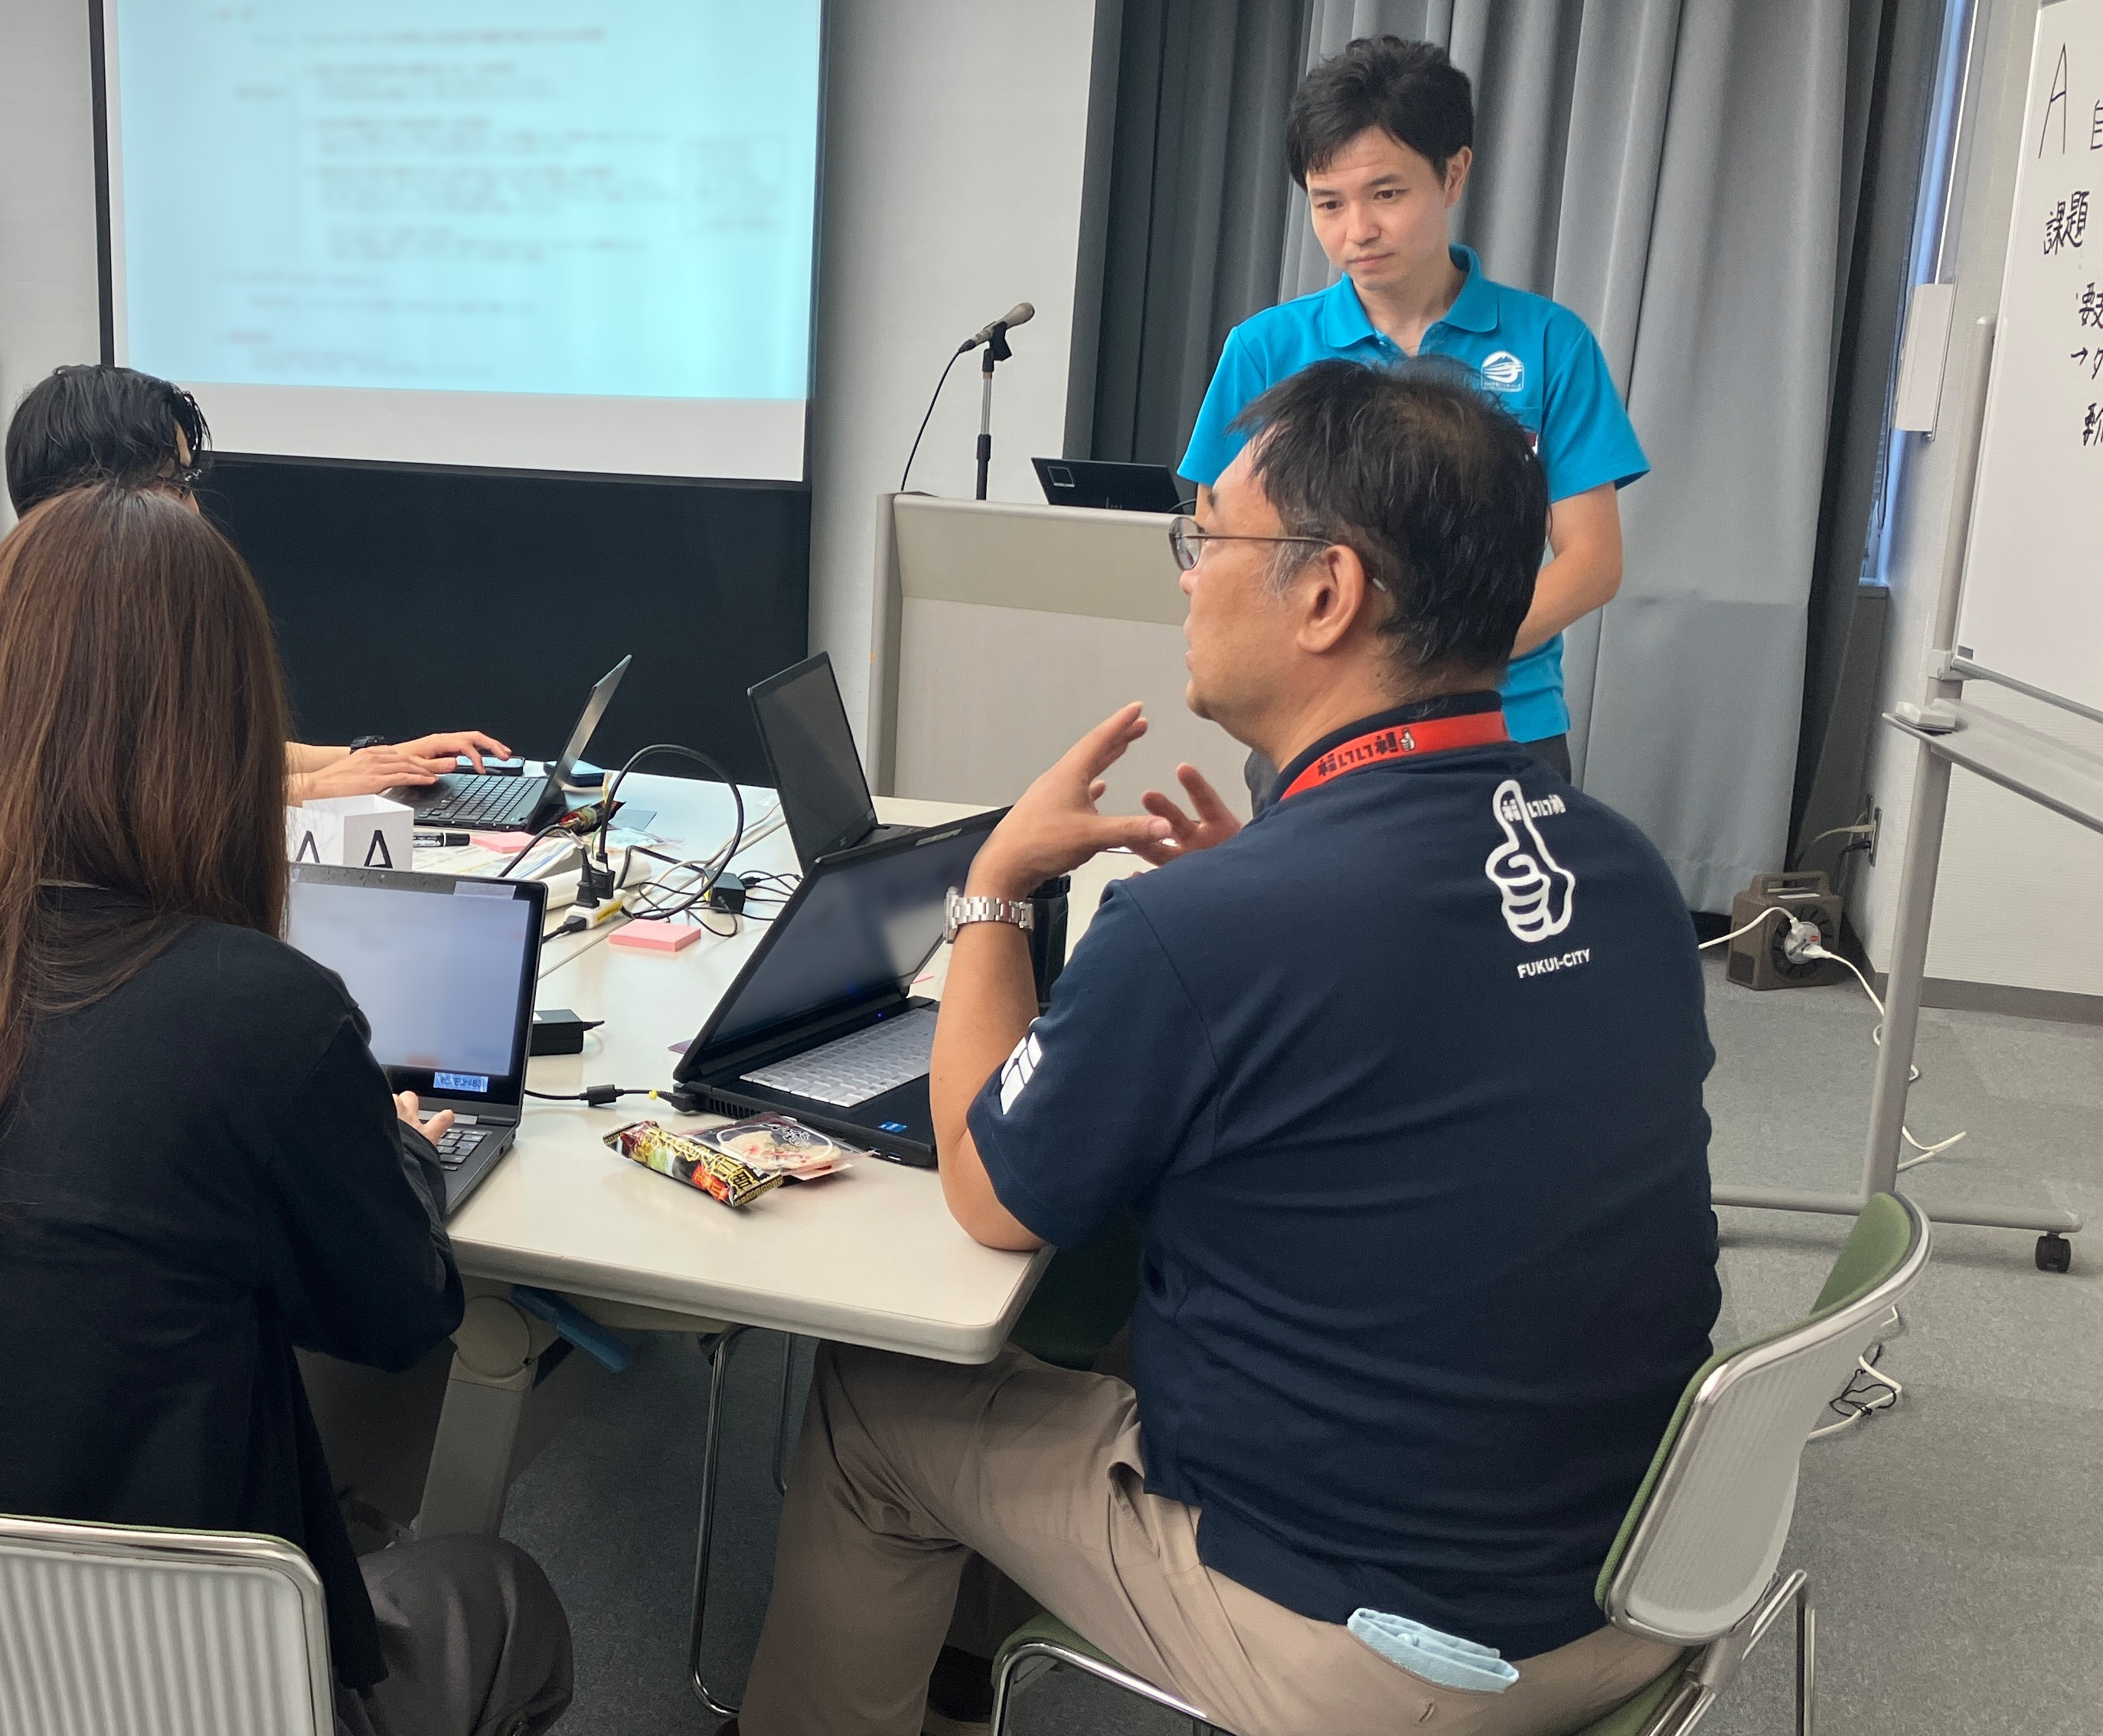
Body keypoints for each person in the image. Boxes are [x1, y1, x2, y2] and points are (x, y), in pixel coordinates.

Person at [735, 359, 1718, 1736]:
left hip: (1393, 1660)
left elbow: (988, 1194)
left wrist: (994, 889)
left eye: (1207, 539)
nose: (1189, 580)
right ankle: (974, 1656)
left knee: (872, 1405)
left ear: (1327, 593)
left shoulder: (1214, 927)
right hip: (1645, 1582)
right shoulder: (1618, 865)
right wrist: (1234, 933)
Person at [0, 485, 573, 1736]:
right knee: (507, 1597)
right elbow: (401, 1314)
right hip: (181, 1687)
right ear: (229, 732)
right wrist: (395, 1142)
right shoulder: (264, 1011)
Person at [1178, 36, 1645, 803]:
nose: (1357, 229)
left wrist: (1438, 661)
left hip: (1501, 722)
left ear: (1453, 173)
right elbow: (1223, 537)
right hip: (1315, 724)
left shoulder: (1550, 343)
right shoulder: (1266, 348)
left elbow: (1592, 561)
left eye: (1386, 194)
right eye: (1329, 203)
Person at [0, 363, 508, 800]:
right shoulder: (13, 609)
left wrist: (370, 759)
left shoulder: (135, 597)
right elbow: (107, 810)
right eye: (175, 484)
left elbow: (211, 758)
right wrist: (312, 790)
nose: (192, 510)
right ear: (101, 494)